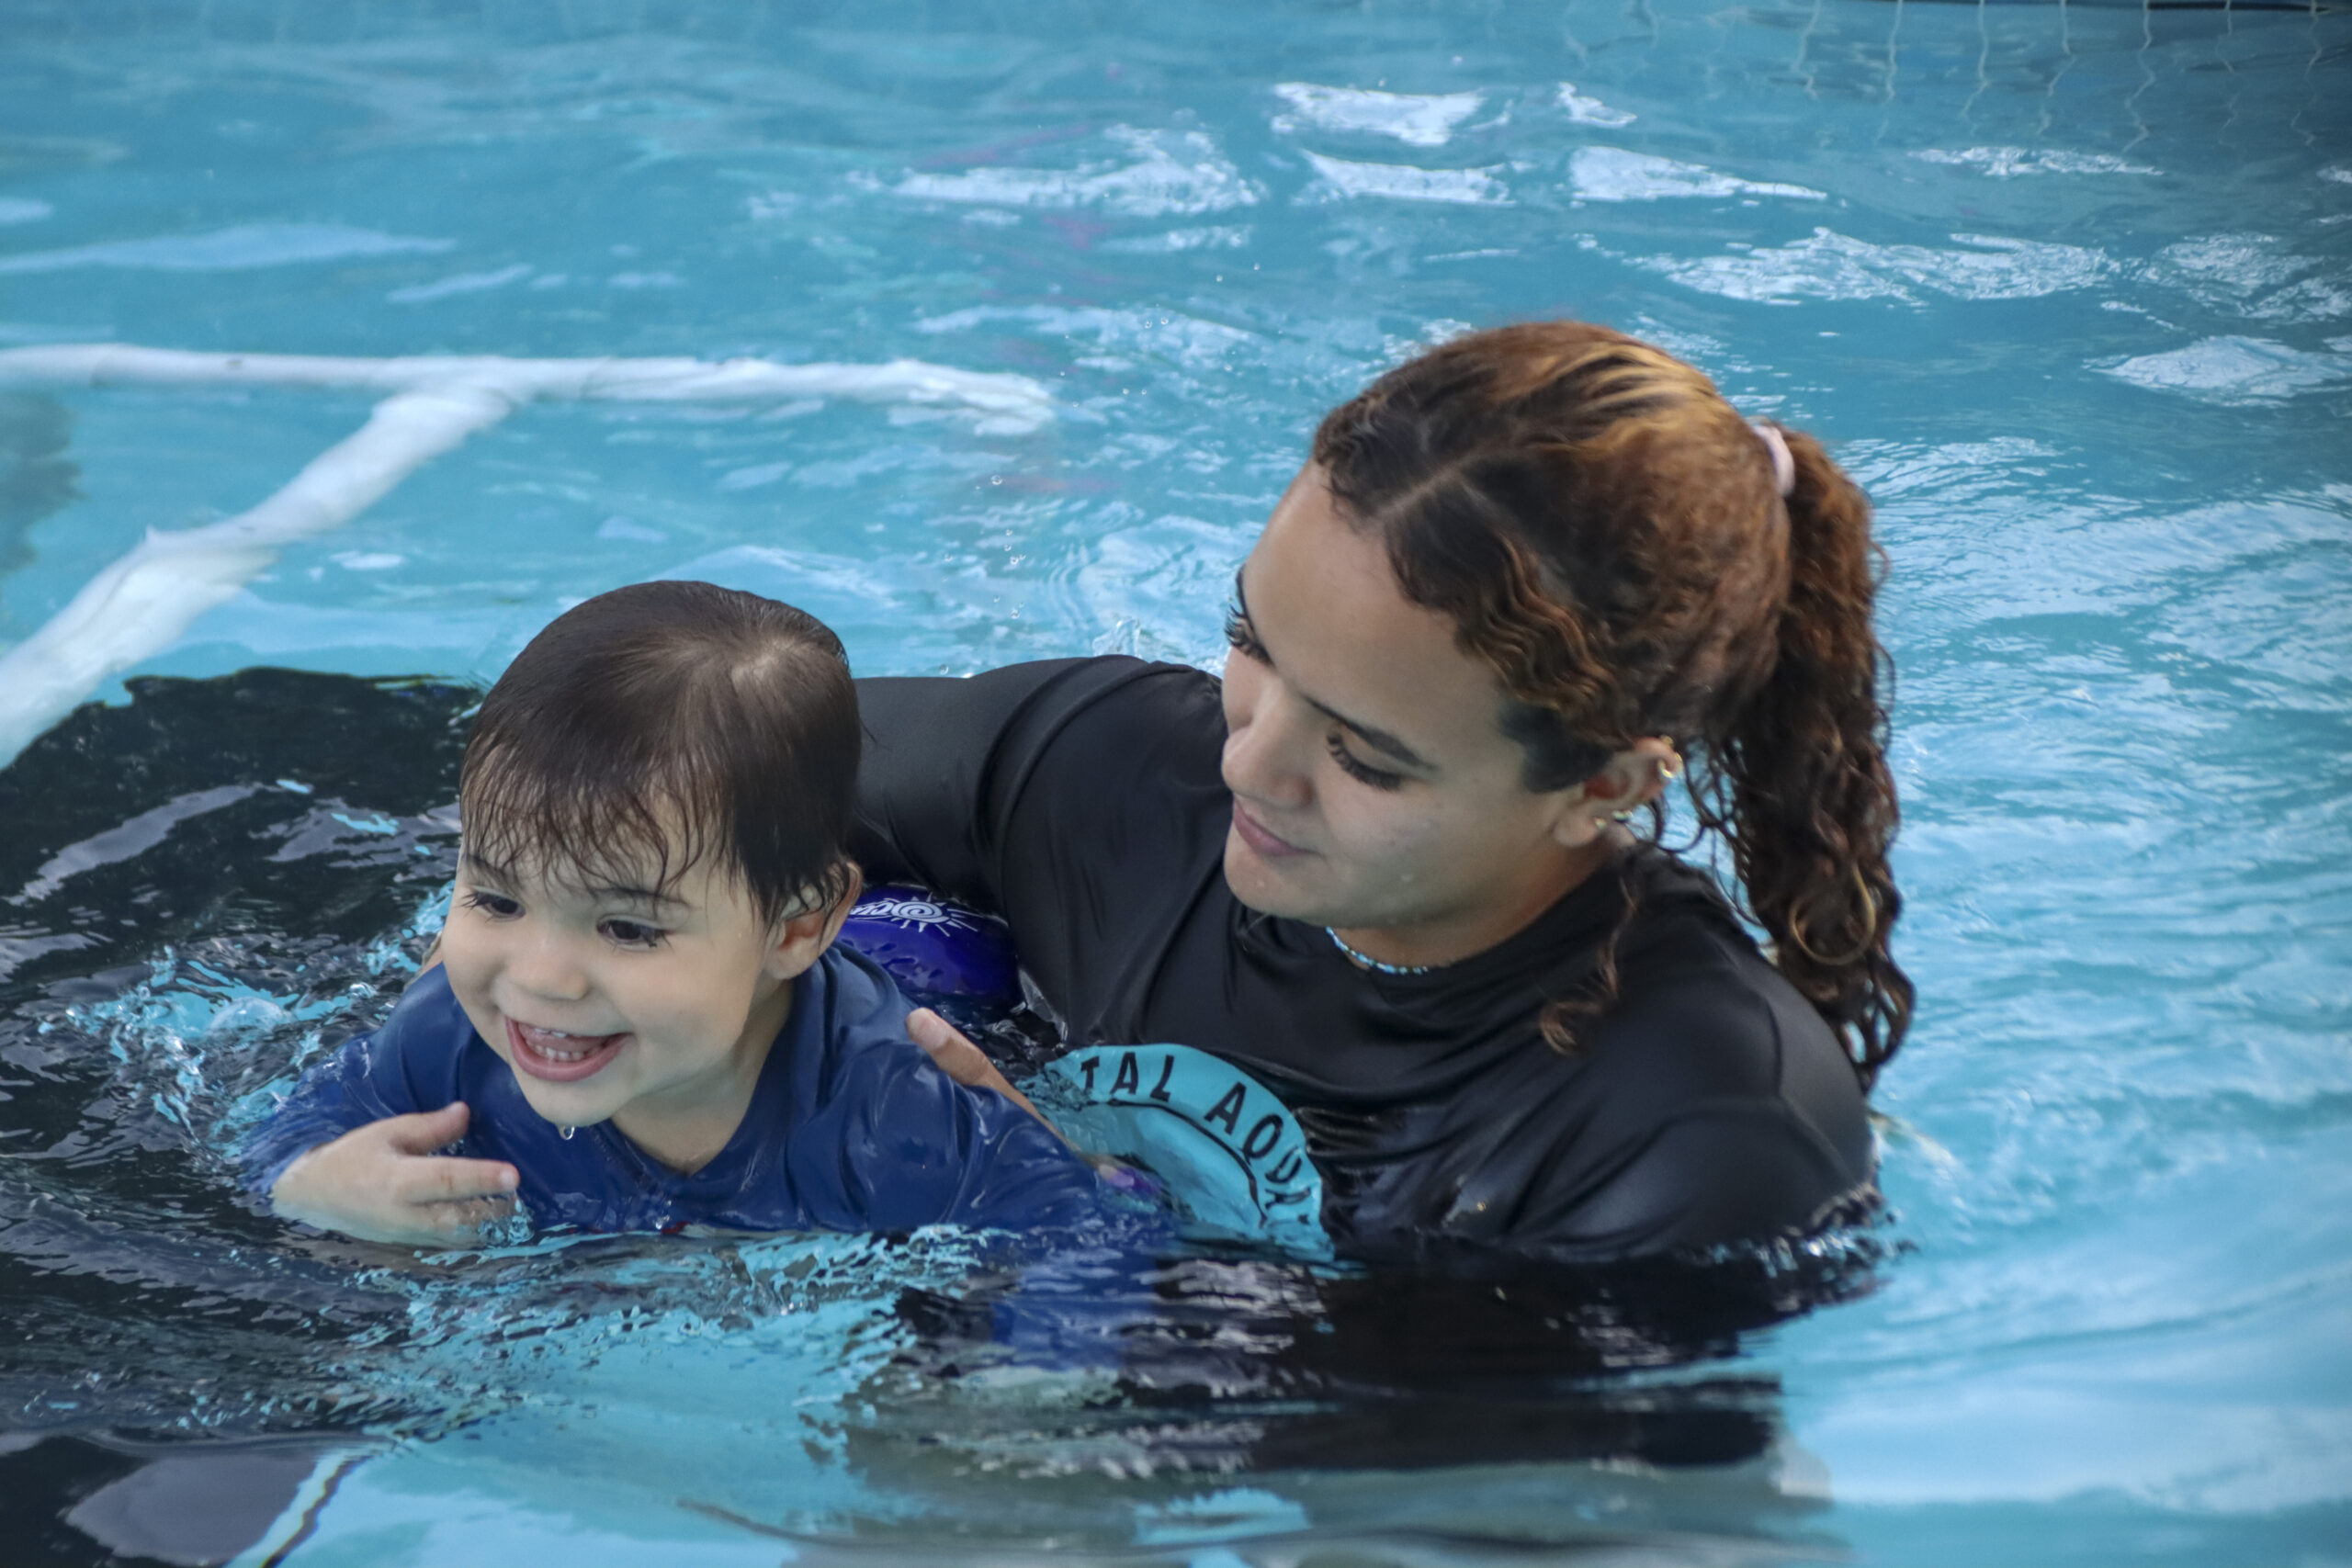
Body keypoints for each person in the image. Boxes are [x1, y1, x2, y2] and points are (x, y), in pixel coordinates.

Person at [864, 321, 1913, 1261]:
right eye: (1251, 644)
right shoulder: (1112, 782)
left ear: (1601, 784)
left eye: (1364, 756)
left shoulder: (1693, 1127)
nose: (1247, 766)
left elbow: (1414, 1469)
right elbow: (709, 743)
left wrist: (1073, 1218)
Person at [243, 581, 1098, 1246]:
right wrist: (311, 1179)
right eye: (497, 899)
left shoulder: (891, 1111)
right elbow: (297, 1127)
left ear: (797, 926)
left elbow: (1094, 1237)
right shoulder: (453, 1040)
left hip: (939, 968)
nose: (538, 978)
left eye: (628, 928)